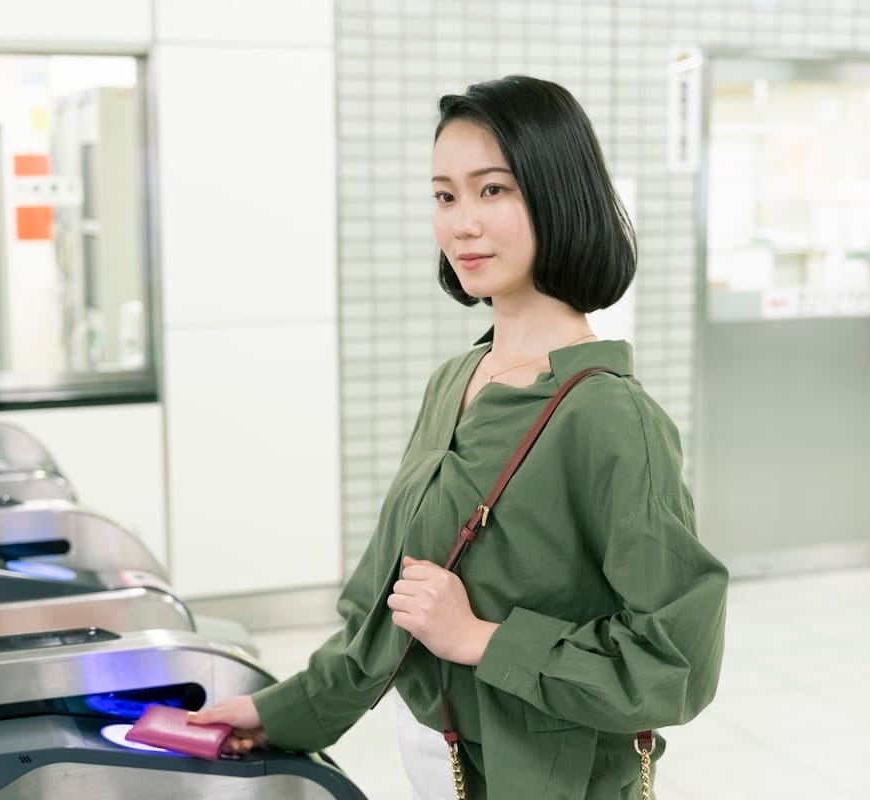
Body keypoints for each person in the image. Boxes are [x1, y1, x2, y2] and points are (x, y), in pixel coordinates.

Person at [189, 75, 728, 800]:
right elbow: (389, 608)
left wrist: (482, 640)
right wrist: (276, 712)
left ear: (558, 195)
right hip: (439, 766)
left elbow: (676, 663)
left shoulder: (609, 417)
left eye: (493, 190)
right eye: (445, 195)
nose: (462, 223)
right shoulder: (457, 379)